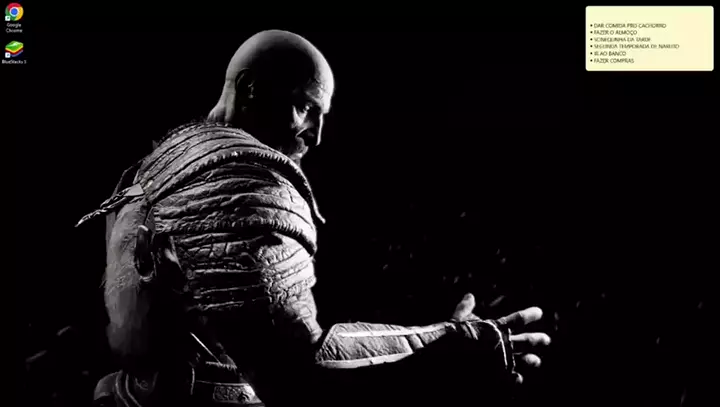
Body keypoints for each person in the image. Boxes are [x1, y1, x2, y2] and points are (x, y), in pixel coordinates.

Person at [79, 30, 550, 407]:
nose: (316, 135)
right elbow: (303, 374)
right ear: (250, 88)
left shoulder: (156, 166)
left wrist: (443, 339)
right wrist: (453, 352)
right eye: (304, 107)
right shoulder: (244, 184)